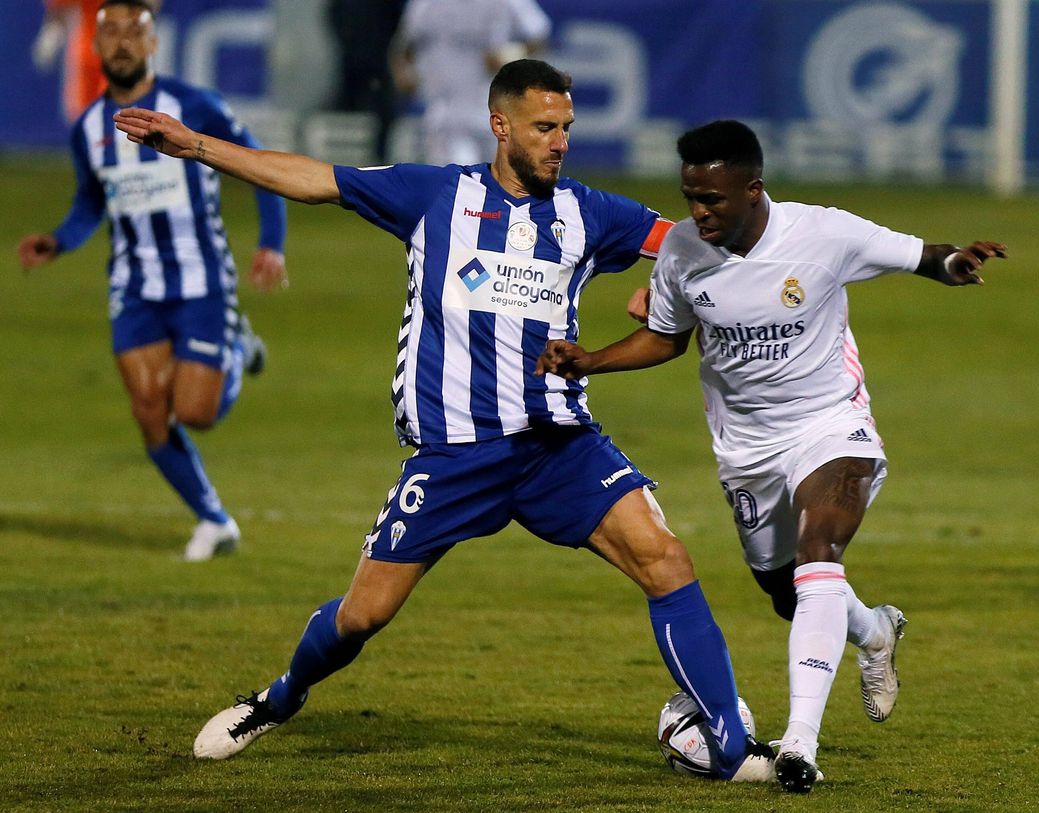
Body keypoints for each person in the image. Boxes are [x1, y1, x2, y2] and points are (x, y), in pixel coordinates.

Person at [113, 60, 776, 782]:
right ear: (501, 126)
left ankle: (729, 746)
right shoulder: (436, 195)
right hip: (455, 454)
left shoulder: (592, 213)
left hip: (558, 443)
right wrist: (199, 146)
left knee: (666, 559)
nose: (559, 142)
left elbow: (702, 237)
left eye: (567, 129)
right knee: (362, 616)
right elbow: (313, 178)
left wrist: (670, 285)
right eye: (544, 128)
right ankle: (278, 697)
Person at [536, 120, 1007, 794]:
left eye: (713, 200)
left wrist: (955, 262)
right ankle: (874, 630)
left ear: (753, 189)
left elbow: (920, 254)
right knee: (787, 593)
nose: (699, 213)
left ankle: (799, 744)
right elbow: (667, 339)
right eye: (690, 197)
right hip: (747, 451)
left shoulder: (821, 233)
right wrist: (591, 362)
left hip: (831, 426)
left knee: (821, 548)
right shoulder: (682, 254)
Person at [18, 0, 288, 562]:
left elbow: (262, 168)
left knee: (194, 414)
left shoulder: (192, 106)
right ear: (93, 46)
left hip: (201, 278)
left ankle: (238, 348)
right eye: (109, 32)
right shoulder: (90, 125)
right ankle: (214, 520)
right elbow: (92, 201)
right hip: (134, 285)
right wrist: (59, 241)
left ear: (152, 43)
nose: (120, 43)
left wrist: (271, 243)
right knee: (148, 409)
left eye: (132, 33)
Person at [395, 0, 551, 165]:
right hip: (445, 115)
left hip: (495, 113)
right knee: (460, 180)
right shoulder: (426, 4)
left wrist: (508, 55)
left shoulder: (507, 2)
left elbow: (539, 36)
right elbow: (405, 46)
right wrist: (404, 74)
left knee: (497, 184)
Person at [326, 0, 407, 164]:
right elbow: (334, 15)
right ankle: (341, 166)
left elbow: (400, 22)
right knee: (344, 114)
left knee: (382, 115)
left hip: (379, 62)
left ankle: (380, 162)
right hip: (353, 63)